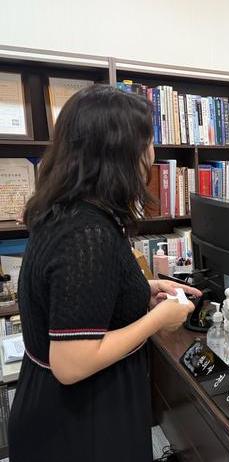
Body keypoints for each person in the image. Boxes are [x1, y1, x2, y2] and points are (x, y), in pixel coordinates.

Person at [8, 85, 201, 461]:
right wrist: (158, 319)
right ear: (118, 154)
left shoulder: (65, 209)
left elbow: (71, 293)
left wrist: (141, 288)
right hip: (80, 421)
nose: (152, 154)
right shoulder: (87, 233)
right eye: (147, 142)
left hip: (62, 409)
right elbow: (71, 364)